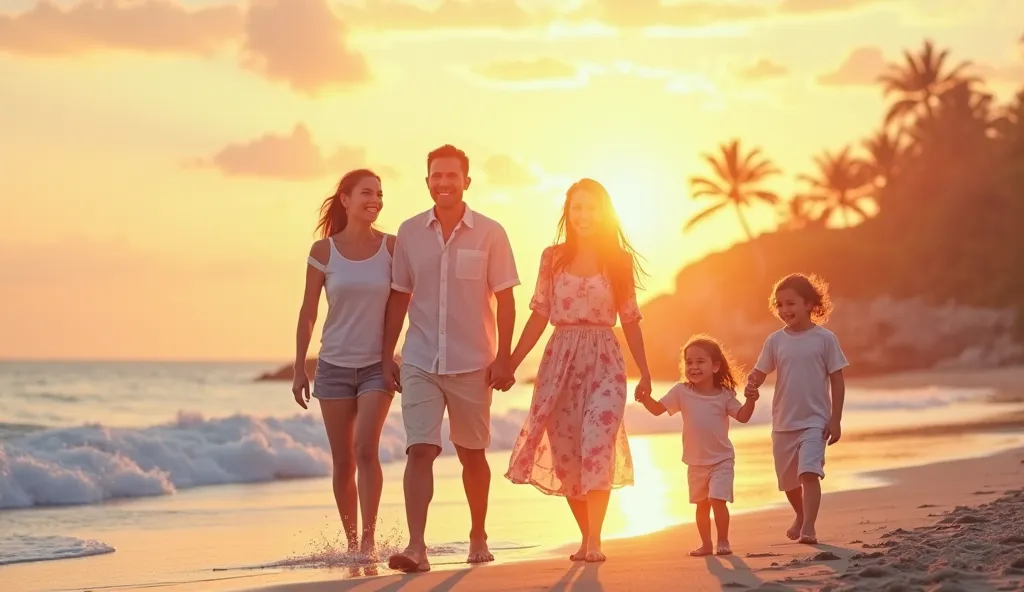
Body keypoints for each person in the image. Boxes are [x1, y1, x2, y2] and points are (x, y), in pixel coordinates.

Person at [382, 144, 520, 573]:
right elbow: (399, 295)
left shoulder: (491, 232)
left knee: (471, 454)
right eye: (436, 176)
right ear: (427, 182)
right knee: (419, 449)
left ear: (466, 182)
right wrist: (388, 354)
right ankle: (417, 547)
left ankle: (477, 532)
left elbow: (507, 299)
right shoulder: (408, 232)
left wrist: (505, 360)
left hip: (473, 361)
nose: (444, 183)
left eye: (451, 176)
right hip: (421, 358)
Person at [504, 178, 652, 563]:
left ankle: (596, 541)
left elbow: (631, 320)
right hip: (559, 363)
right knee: (568, 453)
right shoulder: (552, 258)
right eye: (576, 208)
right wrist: (512, 363)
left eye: (591, 208)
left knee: (597, 443)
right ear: (568, 213)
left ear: (604, 213)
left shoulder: (617, 261)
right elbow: (539, 313)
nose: (583, 215)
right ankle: (586, 538)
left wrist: (646, 374)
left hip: (605, 358)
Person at [290, 169, 395, 558]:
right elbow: (307, 313)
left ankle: (369, 542)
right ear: (346, 199)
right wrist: (301, 367)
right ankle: (352, 543)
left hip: (376, 367)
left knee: (366, 449)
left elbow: (407, 301)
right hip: (332, 366)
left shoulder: (393, 248)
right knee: (343, 460)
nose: (376, 199)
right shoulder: (323, 252)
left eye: (380, 194)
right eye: (367, 192)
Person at [745, 273, 849, 545]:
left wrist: (835, 419)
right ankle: (801, 515)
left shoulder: (825, 339)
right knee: (789, 482)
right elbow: (759, 372)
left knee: (809, 473)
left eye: (790, 303)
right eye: (779, 305)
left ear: (808, 304)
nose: (784, 310)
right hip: (783, 422)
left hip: (815, 421)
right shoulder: (775, 341)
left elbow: (837, 381)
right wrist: (752, 383)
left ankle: (809, 528)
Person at [635, 335, 757, 557]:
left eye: (700, 361)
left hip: (721, 459)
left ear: (715, 366)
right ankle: (706, 545)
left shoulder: (724, 395)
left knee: (717, 500)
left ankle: (723, 540)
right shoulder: (681, 391)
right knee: (701, 505)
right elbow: (657, 410)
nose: (694, 366)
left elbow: (743, 416)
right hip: (695, 461)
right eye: (689, 362)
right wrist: (645, 399)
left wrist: (751, 400)